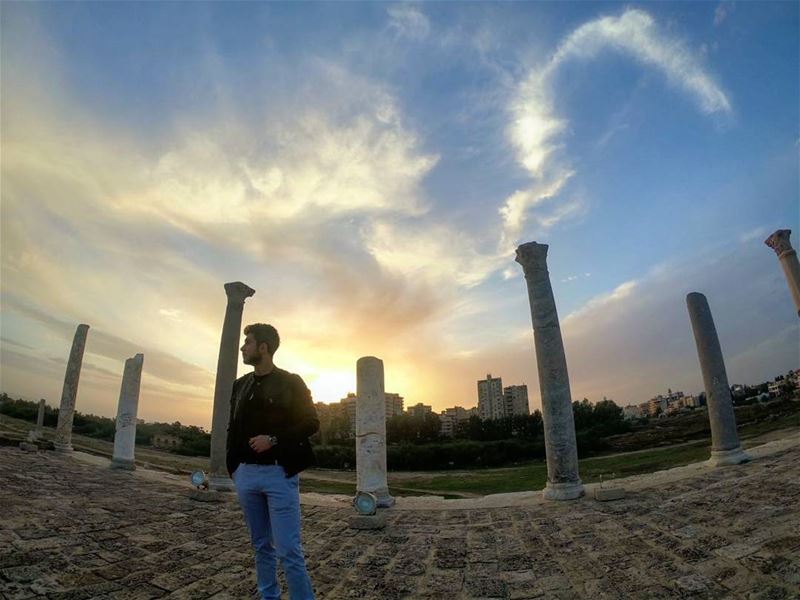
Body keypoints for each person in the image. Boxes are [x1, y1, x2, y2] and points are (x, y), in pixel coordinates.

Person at [227, 323, 319, 600]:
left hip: (279, 473)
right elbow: (232, 428)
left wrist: (274, 439)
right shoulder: (240, 385)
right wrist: (234, 468)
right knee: (260, 545)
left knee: (289, 550)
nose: (243, 347)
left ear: (264, 348)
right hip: (245, 475)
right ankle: (270, 597)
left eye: (248, 342)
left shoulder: (291, 382)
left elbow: (311, 422)